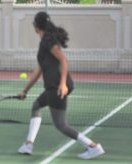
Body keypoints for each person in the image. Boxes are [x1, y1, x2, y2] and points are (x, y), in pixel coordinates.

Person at [17, 11, 104, 160]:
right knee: (37, 105)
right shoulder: (45, 41)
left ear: (35, 26)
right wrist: (25, 90)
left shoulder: (48, 41)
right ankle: (28, 144)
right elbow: (39, 70)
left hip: (57, 86)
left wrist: (62, 84)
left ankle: (93, 147)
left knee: (61, 124)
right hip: (53, 87)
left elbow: (64, 60)